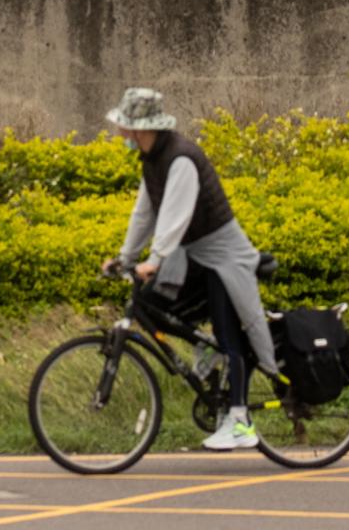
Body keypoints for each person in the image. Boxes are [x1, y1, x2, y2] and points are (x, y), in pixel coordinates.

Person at [104, 86, 280, 452]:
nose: (120, 134)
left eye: (125, 127)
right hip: (195, 256)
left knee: (230, 329)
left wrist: (154, 259)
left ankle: (241, 420)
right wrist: (125, 257)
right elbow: (145, 213)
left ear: (141, 129)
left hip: (224, 256)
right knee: (158, 303)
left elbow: (175, 216)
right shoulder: (152, 159)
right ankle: (210, 356)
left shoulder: (181, 158)